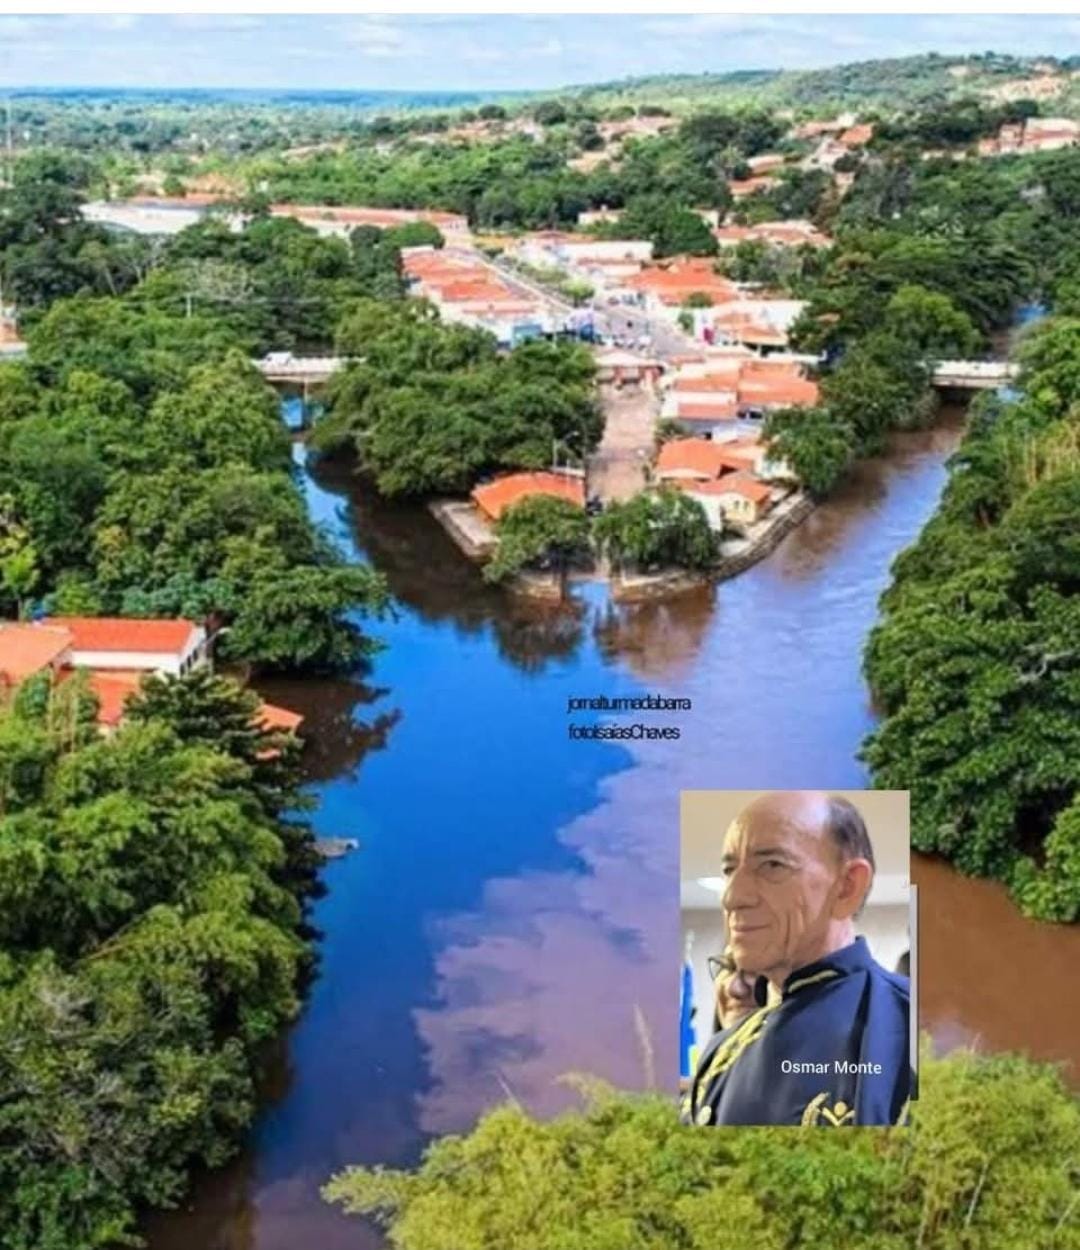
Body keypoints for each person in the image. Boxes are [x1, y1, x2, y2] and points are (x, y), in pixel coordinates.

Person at [683, 791, 910, 1127]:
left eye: (772, 865)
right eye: (730, 870)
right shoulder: (720, 1052)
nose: (732, 897)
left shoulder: (912, 1029)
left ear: (847, 887)